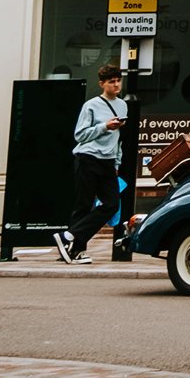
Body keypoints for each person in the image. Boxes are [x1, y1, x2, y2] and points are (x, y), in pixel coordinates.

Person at [55, 64, 128, 264]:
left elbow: (119, 138)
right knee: (84, 205)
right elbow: (80, 134)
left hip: (108, 162)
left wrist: (117, 162)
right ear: (102, 84)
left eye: (118, 80)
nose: (116, 85)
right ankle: (74, 252)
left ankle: (68, 236)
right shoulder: (91, 105)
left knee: (111, 204)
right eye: (111, 81)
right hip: (88, 158)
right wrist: (104, 126)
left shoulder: (123, 105)